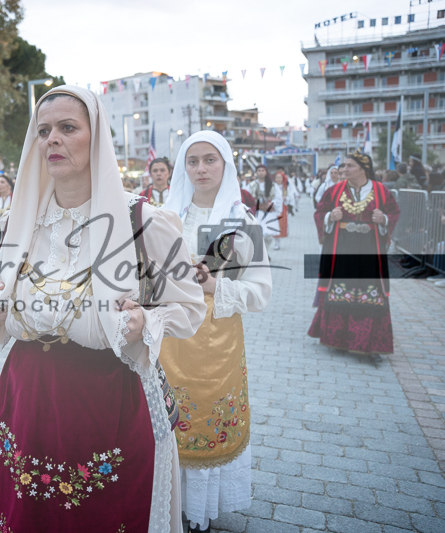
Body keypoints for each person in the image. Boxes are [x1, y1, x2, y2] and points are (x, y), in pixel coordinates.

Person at [0, 86, 206, 533]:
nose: (53, 139)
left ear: (96, 137)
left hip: (107, 398)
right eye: (44, 130)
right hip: (26, 396)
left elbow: (190, 306)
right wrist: (1, 299)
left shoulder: (144, 221)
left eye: (68, 127)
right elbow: (9, 288)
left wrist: (147, 320)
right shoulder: (19, 221)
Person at [161, 130, 272, 533]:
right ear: (182, 167)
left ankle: (199, 512)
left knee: (207, 417)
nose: (201, 169)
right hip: (168, 337)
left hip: (217, 340)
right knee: (166, 415)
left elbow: (260, 292)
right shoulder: (166, 217)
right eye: (192, 161)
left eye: (210, 160)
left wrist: (212, 286)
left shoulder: (243, 223)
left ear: (226, 165)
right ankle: (165, 502)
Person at [308, 150, 400, 355]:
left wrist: (384, 219)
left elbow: (394, 212)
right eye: (345, 165)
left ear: (363, 169)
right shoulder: (334, 191)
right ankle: (337, 339)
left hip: (370, 248)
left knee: (369, 291)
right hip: (342, 247)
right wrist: (330, 217)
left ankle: (370, 344)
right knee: (341, 288)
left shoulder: (381, 191)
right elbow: (319, 212)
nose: (345, 169)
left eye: (350, 166)